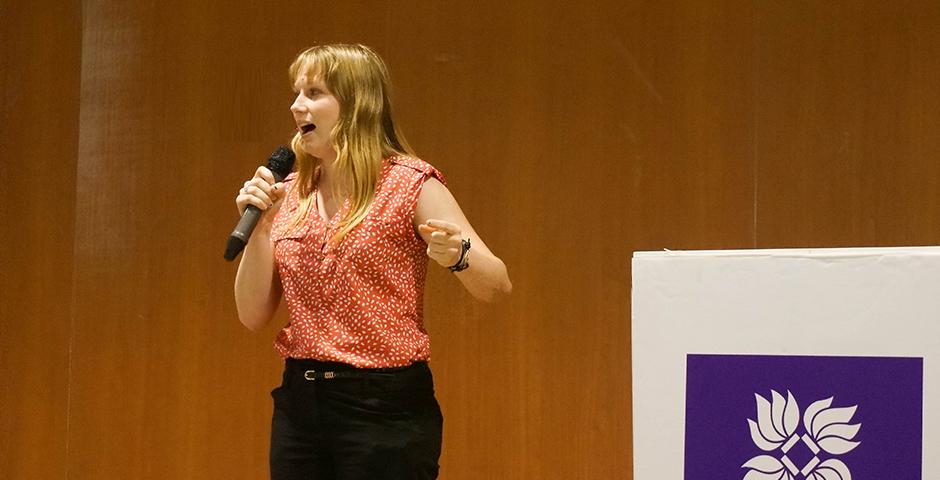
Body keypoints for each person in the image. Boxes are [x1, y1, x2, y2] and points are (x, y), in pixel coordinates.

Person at [233, 44, 512, 480]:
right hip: (301, 406)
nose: (296, 105)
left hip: (384, 408)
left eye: (313, 92)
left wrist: (459, 255)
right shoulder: (289, 193)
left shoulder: (410, 184)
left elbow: (496, 284)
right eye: (295, 92)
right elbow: (252, 315)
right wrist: (262, 227)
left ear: (356, 104)